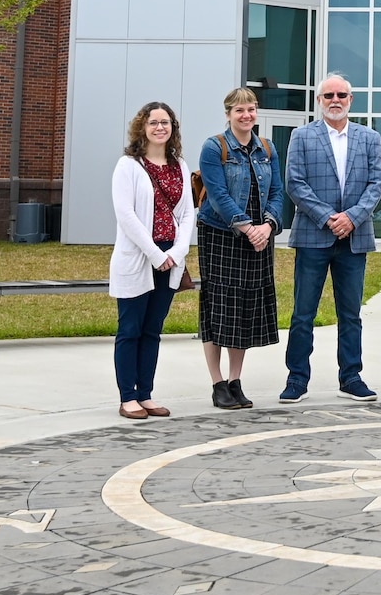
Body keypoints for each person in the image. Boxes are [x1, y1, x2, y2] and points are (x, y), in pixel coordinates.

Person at [281, 72, 381, 404]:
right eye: (329, 96)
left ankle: (351, 376)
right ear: (319, 101)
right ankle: (297, 378)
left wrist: (352, 217)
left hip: (353, 239)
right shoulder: (302, 136)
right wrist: (328, 217)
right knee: (303, 313)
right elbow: (295, 183)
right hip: (314, 236)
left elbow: (377, 182)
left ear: (351, 100)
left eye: (342, 95)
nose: (336, 100)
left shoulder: (369, 138)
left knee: (351, 313)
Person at [193, 86, 284, 412]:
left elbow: (277, 192)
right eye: (240, 110)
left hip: (258, 237)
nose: (247, 115)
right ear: (229, 114)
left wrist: (267, 226)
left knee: (245, 307)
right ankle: (217, 383)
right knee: (219, 306)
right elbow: (217, 195)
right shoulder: (214, 147)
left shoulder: (267, 149)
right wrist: (247, 227)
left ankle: (235, 380)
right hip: (220, 236)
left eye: (251, 109)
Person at [108, 101, 194, 420]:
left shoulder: (179, 165)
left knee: (152, 330)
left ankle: (146, 394)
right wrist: (156, 254)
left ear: (173, 128)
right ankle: (127, 396)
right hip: (139, 258)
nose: (160, 127)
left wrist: (176, 252)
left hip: (170, 258)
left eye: (166, 122)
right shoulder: (128, 166)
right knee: (130, 328)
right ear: (142, 127)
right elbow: (126, 216)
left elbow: (187, 213)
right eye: (153, 122)